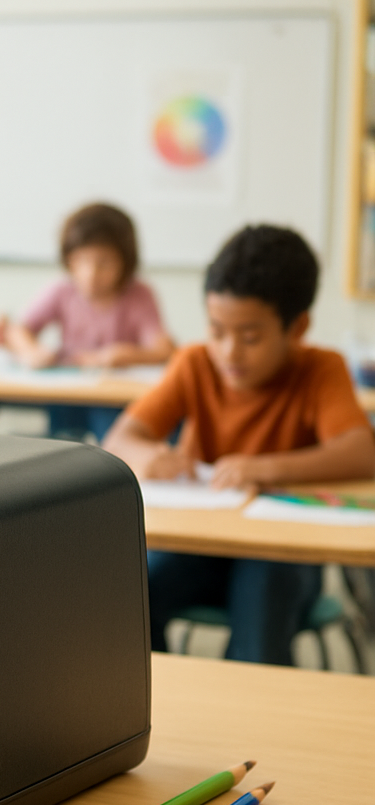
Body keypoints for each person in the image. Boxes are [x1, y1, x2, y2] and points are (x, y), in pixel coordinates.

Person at [104, 224, 375, 665]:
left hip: (283, 554)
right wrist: (149, 455)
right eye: (216, 331)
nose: (229, 352)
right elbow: (121, 439)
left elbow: (362, 452)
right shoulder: (195, 362)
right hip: (206, 546)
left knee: (262, 611)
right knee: (131, 588)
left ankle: (251, 724)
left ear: (298, 327)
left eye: (249, 337)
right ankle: (156, 701)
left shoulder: (321, 370)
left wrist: (263, 468)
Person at [0, 202, 174, 440]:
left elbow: (164, 349)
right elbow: (18, 329)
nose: (90, 274)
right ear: (69, 259)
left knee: (109, 430)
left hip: (107, 399)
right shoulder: (62, 289)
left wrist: (124, 355)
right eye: (80, 261)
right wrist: (31, 351)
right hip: (65, 392)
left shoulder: (139, 295)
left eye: (103, 263)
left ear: (125, 261)